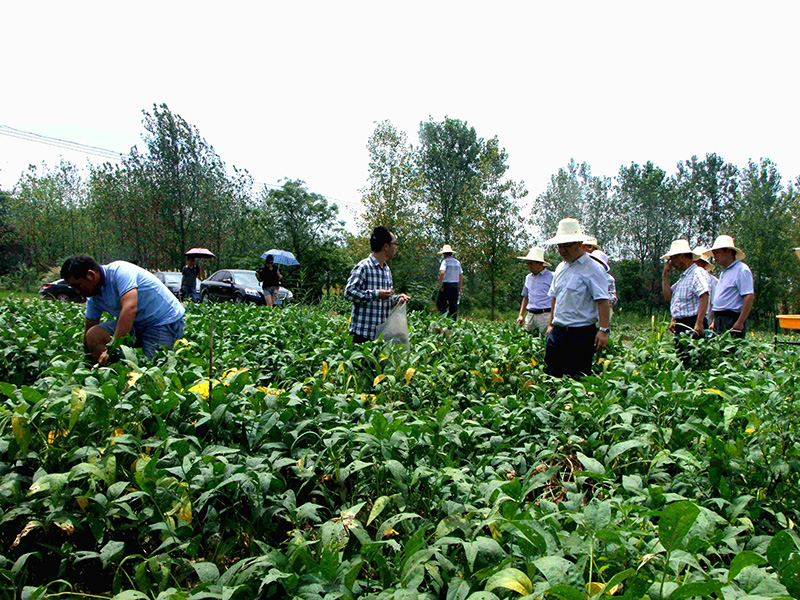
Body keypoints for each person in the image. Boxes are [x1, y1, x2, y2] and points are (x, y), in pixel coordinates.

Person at [61, 255, 186, 364]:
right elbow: (90, 326)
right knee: (93, 335)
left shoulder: (120, 271)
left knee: (152, 368)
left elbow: (130, 308)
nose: (77, 291)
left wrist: (112, 348)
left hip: (161, 321)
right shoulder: (94, 297)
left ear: (91, 275)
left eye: (77, 286)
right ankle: (108, 371)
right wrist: (86, 362)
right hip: (136, 323)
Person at [544, 218, 611, 378]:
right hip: (558, 332)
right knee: (552, 376)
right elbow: (554, 297)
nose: (562, 250)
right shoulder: (560, 268)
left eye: (566, 246)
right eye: (559, 246)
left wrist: (603, 330)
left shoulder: (593, 268)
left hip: (581, 334)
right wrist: (551, 325)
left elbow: (603, 301)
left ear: (579, 244)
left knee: (578, 378)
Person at [344, 226, 410, 343]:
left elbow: (385, 300)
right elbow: (349, 293)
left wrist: (397, 299)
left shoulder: (386, 270)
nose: (396, 247)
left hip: (380, 337)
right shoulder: (363, 267)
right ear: (386, 246)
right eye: (394, 244)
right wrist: (376, 294)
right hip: (362, 335)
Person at [661, 240, 710, 364]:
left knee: (693, 362)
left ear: (682, 257)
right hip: (681, 325)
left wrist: (699, 323)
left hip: (692, 324)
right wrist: (665, 276)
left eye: (673, 259)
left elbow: (704, 295)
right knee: (682, 361)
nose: (672, 264)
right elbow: (668, 295)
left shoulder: (697, 273)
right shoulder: (684, 278)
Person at [703, 235, 754, 338]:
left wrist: (740, 322)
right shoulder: (724, 273)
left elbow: (749, 296)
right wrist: (715, 321)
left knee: (730, 347)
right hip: (720, 319)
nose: (714, 256)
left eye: (717, 253)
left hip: (732, 319)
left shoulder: (741, 270)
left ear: (728, 251)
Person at [516, 247, 553, 334]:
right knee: (527, 337)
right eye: (528, 264)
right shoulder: (528, 278)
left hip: (545, 315)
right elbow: (526, 297)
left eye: (531, 264)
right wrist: (521, 315)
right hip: (531, 315)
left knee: (544, 339)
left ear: (539, 263)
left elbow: (557, 297)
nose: (528, 266)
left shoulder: (552, 277)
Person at [436, 244, 462, 319]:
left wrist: (440, 285)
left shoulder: (445, 262)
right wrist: (460, 288)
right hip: (455, 285)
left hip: (446, 285)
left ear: (444, 254)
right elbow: (460, 275)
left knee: (440, 304)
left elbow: (442, 273)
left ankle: (446, 318)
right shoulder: (457, 262)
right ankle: (453, 321)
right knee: (453, 306)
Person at [692, 245, 718, 310]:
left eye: (697, 261)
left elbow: (715, 303)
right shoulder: (688, 279)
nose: (694, 264)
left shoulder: (713, 281)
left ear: (704, 263)